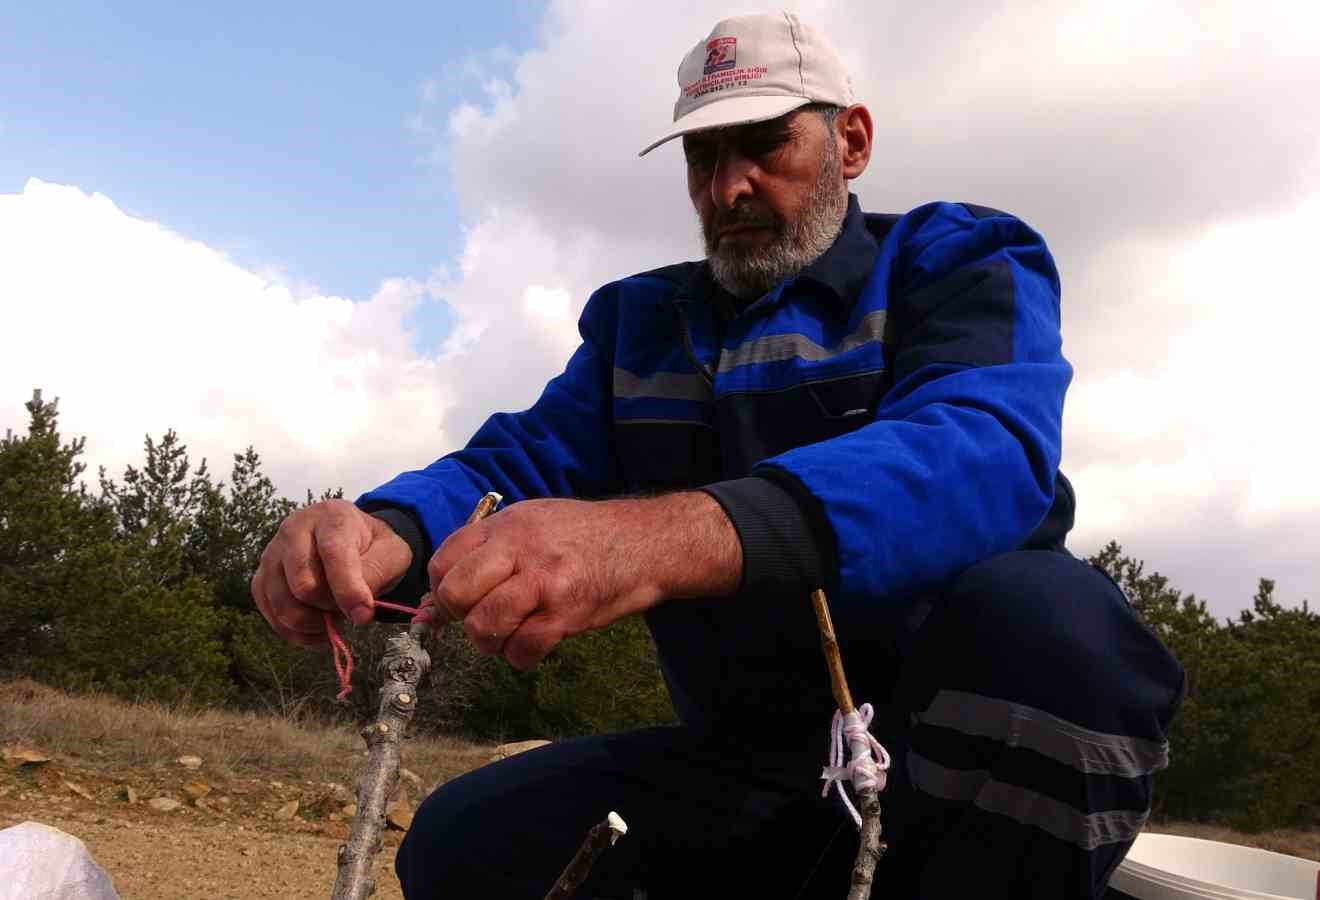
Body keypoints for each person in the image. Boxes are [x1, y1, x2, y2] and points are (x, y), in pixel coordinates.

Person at [251, 12, 1184, 899]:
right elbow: (526, 461)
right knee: (467, 846)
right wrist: (387, 527)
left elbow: (983, 449)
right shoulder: (645, 324)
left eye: (766, 145)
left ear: (851, 143)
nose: (727, 187)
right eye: (704, 156)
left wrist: (660, 540)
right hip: (752, 769)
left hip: (953, 762)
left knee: (1058, 633)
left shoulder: (958, 259)